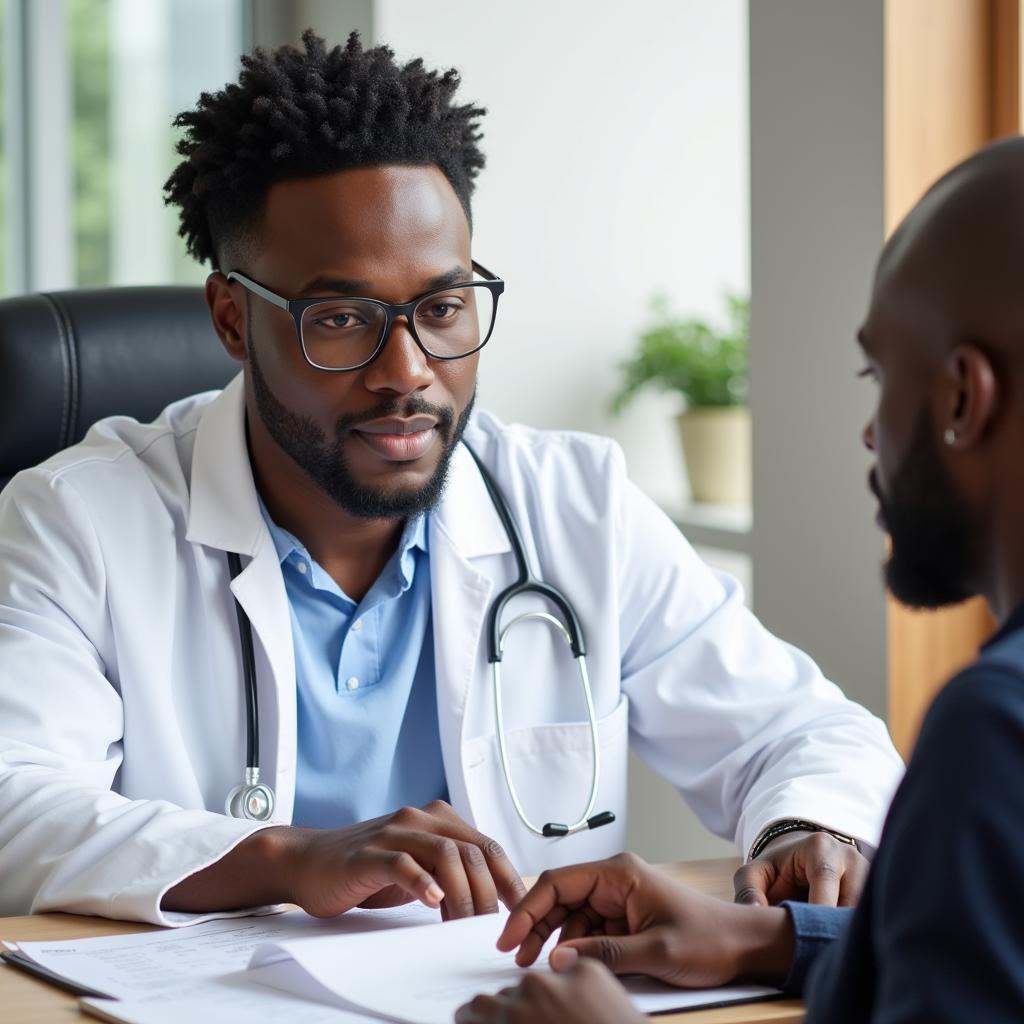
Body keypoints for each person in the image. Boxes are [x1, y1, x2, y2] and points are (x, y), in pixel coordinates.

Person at [0, 32, 900, 927]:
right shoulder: (77, 522)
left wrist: (807, 824)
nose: (409, 370)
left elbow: (803, 732)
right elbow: (12, 804)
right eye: (343, 317)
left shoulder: (573, 504)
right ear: (232, 319)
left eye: (440, 308)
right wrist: (285, 858)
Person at [455, 135, 1024, 1024]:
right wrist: (770, 939)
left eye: (879, 376)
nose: (872, 433)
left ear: (962, 398)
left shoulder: (997, 730)